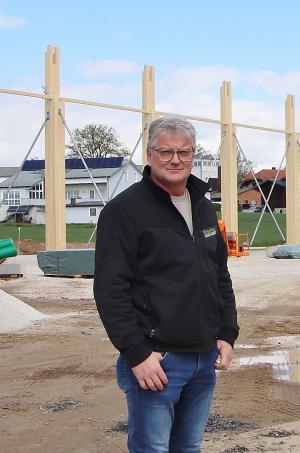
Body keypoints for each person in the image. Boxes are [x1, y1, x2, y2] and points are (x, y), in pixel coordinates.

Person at [94, 116, 239, 452]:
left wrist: (226, 333)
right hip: (158, 361)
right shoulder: (125, 212)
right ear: (149, 155)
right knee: (152, 449)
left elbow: (219, 276)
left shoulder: (203, 206)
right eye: (166, 152)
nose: (176, 160)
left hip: (204, 358)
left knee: (188, 447)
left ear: (193, 156)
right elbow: (110, 290)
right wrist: (136, 353)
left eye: (184, 153)